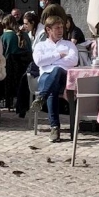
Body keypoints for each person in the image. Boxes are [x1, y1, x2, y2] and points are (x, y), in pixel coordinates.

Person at [29, 15, 78, 143]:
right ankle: (55, 127)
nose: (60, 30)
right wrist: (59, 55)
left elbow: (73, 61)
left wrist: (50, 61)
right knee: (52, 89)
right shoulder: (40, 46)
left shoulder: (69, 45)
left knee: (56, 71)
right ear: (48, 30)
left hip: (64, 77)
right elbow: (39, 61)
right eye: (57, 28)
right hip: (46, 77)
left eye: (61, 27)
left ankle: (42, 100)